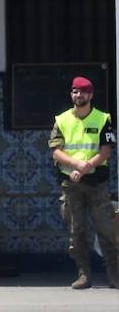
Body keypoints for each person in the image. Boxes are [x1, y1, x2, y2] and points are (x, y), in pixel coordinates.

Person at [49, 76, 118, 289]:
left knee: (106, 230)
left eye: (83, 92)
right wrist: (75, 165)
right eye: (75, 91)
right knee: (76, 231)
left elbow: (106, 151)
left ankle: (115, 274)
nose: (79, 95)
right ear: (71, 94)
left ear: (91, 95)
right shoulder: (61, 120)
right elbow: (56, 151)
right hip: (71, 184)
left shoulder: (102, 119)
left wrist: (86, 167)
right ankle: (83, 274)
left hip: (96, 184)